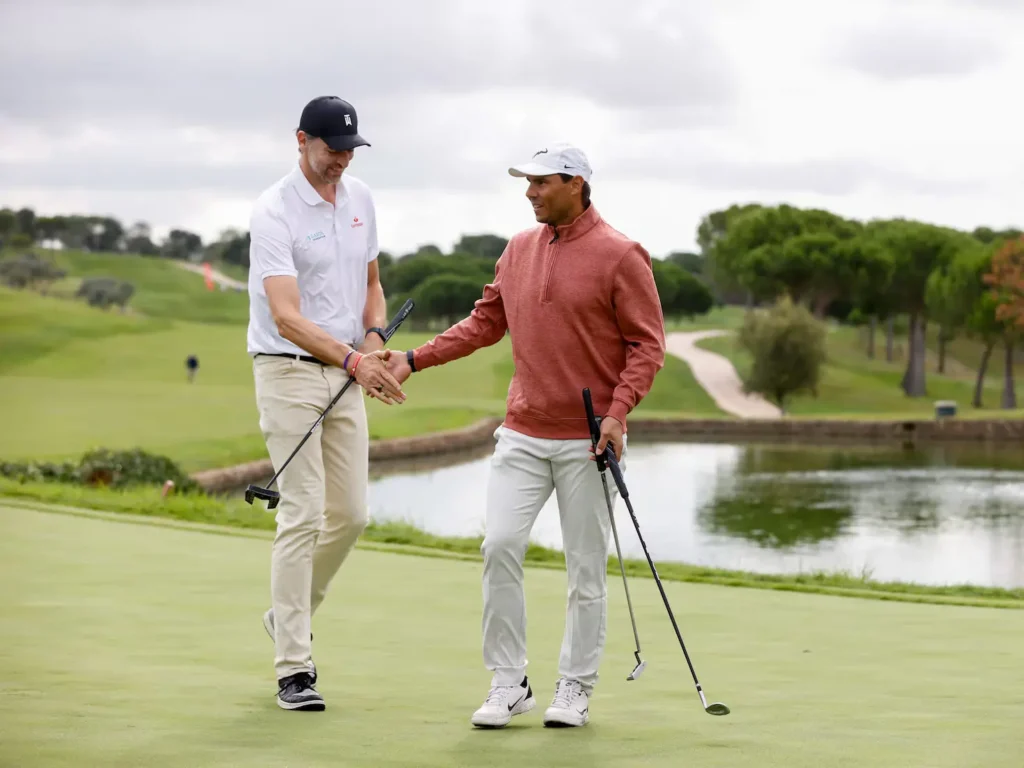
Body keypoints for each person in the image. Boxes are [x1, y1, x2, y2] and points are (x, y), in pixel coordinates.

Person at [386, 142, 666, 728]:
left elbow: (646, 346)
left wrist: (618, 413)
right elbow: (486, 322)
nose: (529, 192)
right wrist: (414, 358)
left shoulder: (622, 255)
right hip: (522, 432)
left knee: (585, 570)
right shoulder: (517, 249)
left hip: (587, 440)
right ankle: (509, 682)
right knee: (499, 547)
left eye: (540, 182)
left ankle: (575, 686)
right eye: (527, 182)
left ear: (575, 183)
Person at [246, 95, 407, 712]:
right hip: (289, 372)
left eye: (348, 150)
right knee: (304, 513)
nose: (341, 159)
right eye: (330, 148)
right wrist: (355, 361)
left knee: (354, 514)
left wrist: (371, 338)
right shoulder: (274, 211)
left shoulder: (361, 198)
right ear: (301, 141)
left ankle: (287, 616)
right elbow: (286, 317)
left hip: (347, 368)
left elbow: (371, 285)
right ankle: (294, 667)